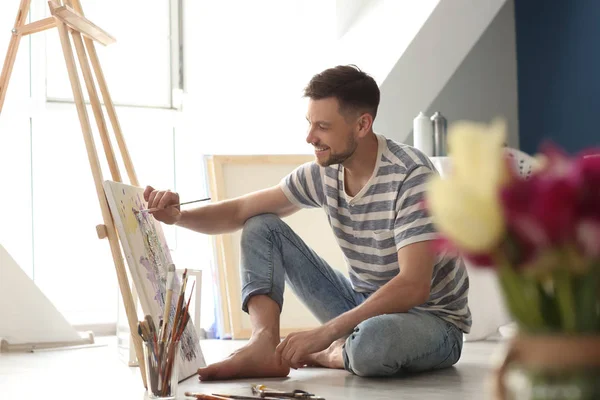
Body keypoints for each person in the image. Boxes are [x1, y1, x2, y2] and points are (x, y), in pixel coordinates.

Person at [144, 65, 471, 380]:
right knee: (261, 225)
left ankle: (332, 353)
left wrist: (323, 336)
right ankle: (263, 343)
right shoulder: (326, 172)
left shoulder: (411, 177)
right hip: (362, 304)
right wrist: (178, 217)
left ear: (362, 125)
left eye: (323, 127)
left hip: (431, 321)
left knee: (372, 344)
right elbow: (239, 211)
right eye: (310, 123)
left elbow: (414, 285)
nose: (309, 137)